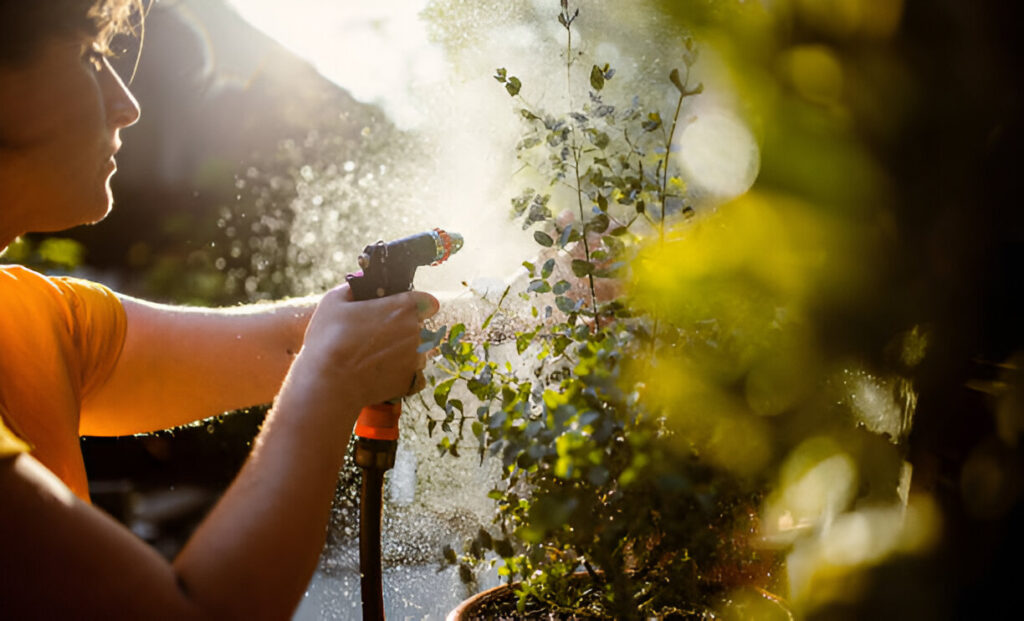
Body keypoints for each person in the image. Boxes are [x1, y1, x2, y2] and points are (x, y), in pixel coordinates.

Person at [0, 1, 439, 618]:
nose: (127, 102)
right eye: (86, 55)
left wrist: (536, 298)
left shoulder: (30, 316)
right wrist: (332, 378)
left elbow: (296, 342)